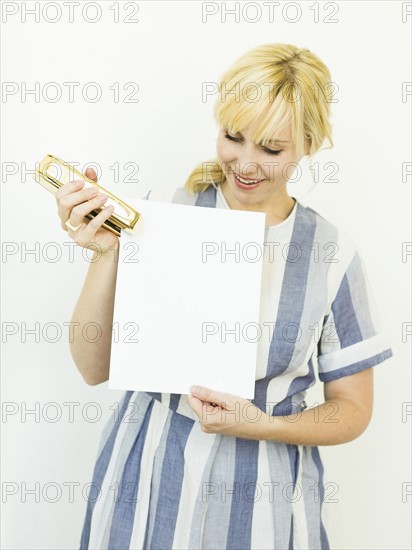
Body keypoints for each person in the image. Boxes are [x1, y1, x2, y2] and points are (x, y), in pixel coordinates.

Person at [56, 43, 393, 549]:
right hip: (143, 489)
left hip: (263, 507)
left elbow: (352, 409)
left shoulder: (330, 254)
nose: (247, 165)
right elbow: (92, 367)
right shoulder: (162, 217)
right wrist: (105, 253)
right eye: (234, 137)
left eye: (272, 149)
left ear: (309, 144)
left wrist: (263, 426)